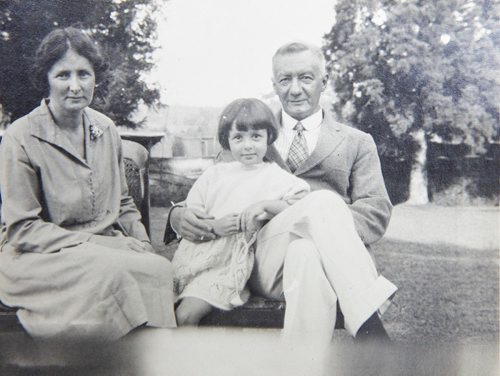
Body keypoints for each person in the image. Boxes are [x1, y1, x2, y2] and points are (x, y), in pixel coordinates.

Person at [165, 42, 397, 343]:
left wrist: (320, 228)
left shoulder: (357, 142)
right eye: (285, 80)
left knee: (308, 248)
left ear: (323, 82)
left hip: (325, 262)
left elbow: (375, 212)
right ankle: (369, 322)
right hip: (255, 258)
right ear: (274, 84)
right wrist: (177, 215)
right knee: (323, 202)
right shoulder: (249, 133)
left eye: (306, 78)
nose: (295, 89)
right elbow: (216, 188)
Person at [0, 27, 176, 340]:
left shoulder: (105, 129)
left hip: (102, 250)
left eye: (84, 74)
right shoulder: (21, 137)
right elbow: (22, 228)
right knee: (110, 274)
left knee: (159, 270)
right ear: (46, 79)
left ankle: (150, 363)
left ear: (95, 77)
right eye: (63, 75)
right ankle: (94, 365)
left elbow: (122, 203)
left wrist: (145, 244)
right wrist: (99, 243)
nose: (75, 86)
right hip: (36, 256)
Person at [173, 98, 310, 325]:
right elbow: (193, 215)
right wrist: (215, 226)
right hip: (199, 257)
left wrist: (266, 205)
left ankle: (192, 359)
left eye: (256, 136)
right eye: (238, 137)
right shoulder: (214, 176)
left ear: (269, 137)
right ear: (227, 140)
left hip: (231, 266)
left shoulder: (276, 177)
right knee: (162, 306)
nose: (247, 145)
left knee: (186, 314)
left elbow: (301, 205)